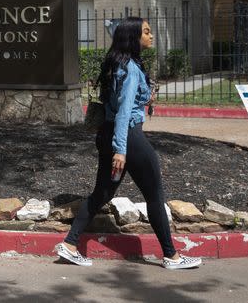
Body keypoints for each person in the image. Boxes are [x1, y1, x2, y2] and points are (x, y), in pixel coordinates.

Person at [54, 17, 202, 270]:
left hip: (107, 132)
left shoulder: (118, 63)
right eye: (146, 32)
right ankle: (172, 256)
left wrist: (144, 99)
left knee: (103, 191)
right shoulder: (131, 69)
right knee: (155, 194)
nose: (151, 35)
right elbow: (124, 112)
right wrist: (121, 150)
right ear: (133, 37)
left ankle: (69, 244)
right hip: (129, 138)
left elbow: (120, 103)